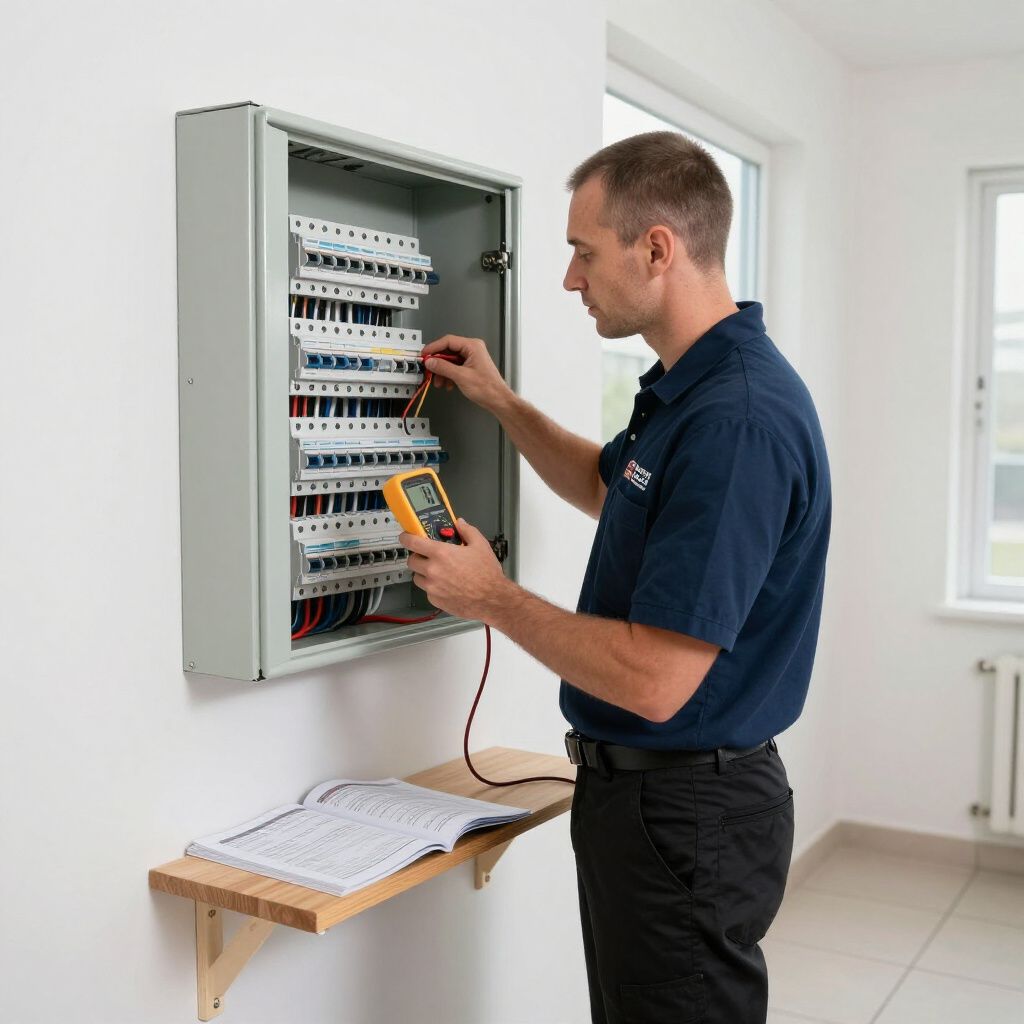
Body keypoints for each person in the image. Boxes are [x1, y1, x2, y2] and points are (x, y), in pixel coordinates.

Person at [399, 130, 831, 1024]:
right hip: (656, 803)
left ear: (658, 248)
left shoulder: (735, 421)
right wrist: (503, 404)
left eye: (582, 254)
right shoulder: (692, 387)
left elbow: (656, 679)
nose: (569, 280)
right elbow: (610, 483)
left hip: (686, 812)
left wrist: (492, 597)